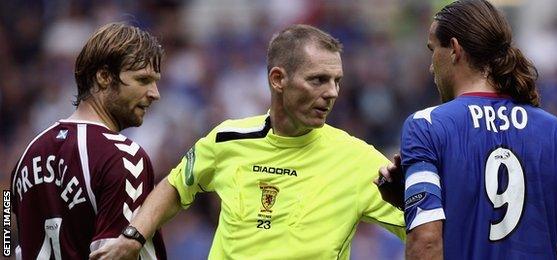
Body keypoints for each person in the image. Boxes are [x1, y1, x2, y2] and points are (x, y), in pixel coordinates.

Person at [90, 24, 405, 260]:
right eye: (318, 80)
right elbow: (174, 186)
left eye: (337, 81)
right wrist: (133, 236)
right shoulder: (227, 139)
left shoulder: (357, 159)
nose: (332, 92)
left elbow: (425, 229)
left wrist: (413, 196)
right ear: (278, 79)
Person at [377, 0, 557, 259]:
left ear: (454, 49)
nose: (432, 66)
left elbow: (426, 245)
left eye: (433, 50)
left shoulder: (427, 126)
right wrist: (410, 201)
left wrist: (414, 207)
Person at [10, 22, 167, 259]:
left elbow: (7, 241)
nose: (155, 93)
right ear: (104, 77)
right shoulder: (124, 158)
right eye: (143, 80)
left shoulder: (26, 157)